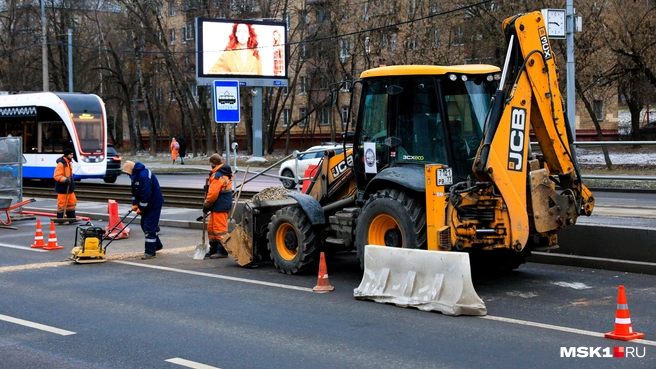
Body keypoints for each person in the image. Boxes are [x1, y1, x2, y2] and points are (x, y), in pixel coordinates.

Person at [122, 160, 165, 260]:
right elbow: (135, 191)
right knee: (144, 225)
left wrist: (141, 208)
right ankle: (157, 245)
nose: (128, 175)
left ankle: (150, 252)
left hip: (153, 204)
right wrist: (135, 204)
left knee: (149, 227)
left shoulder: (144, 176)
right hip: (147, 204)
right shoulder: (135, 175)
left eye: (128, 173)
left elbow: (146, 194)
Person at [203, 154, 233, 259]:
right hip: (219, 204)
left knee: (219, 228)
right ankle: (213, 249)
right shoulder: (222, 174)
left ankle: (222, 250)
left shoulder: (217, 176)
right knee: (212, 227)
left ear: (213, 163)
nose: (209, 164)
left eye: (210, 162)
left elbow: (212, 194)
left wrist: (206, 205)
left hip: (220, 205)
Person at [53, 148, 76, 219]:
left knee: (71, 202)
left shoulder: (69, 163)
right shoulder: (61, 164)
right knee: (62, 204)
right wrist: (65, 180)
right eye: (70, 154)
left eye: (72, 154)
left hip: (69, 187)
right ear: (66, 155)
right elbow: (57, 176)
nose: (72, 156)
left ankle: (71, 217)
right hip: (63, 187)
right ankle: (61, 218)